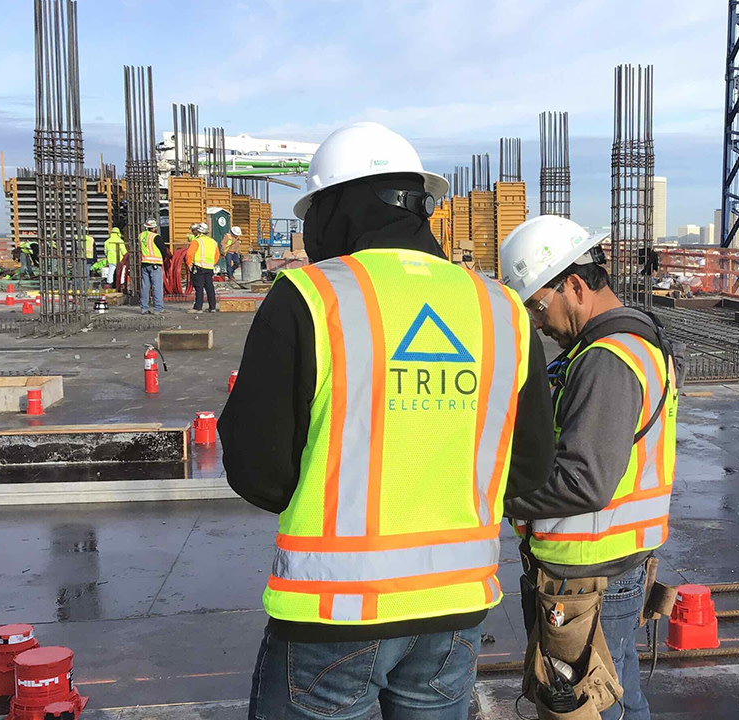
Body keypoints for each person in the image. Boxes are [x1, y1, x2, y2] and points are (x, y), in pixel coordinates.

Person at [220, 121, 554, 720]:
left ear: (335, 209)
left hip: (333, 615)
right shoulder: (501, 308)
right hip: (455, 609)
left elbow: (258, 471)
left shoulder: (309, 297)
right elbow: (528, 470)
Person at [499, 215, 682, 720]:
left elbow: (584, 479)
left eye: (539, 305)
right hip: (612, 568)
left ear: (574, 285)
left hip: (588, 577)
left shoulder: (607, 359)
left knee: (582, 708)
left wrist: (493, 493)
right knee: (618, 696)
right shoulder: (626, 345)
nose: (539, 322)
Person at [185, 222, 219, 313]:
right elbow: (217, 256)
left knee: (199, 288)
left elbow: (189, 254)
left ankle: (198, 307)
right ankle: (212, 307)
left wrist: (189, 264)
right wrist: (212, 264)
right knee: (209, 287)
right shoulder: (213, 242)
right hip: (209, 268)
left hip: (199, 267)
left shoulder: (196, 241)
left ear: (199, 232)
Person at [138, 219, 168, 314]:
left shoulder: (141, 236)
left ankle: (144, 308)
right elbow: (163, 250)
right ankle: (158, 308)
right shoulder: (156, 237)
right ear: (153, 228)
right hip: (155, 264)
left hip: (144, 263)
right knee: (157, 287)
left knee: (145, 287)